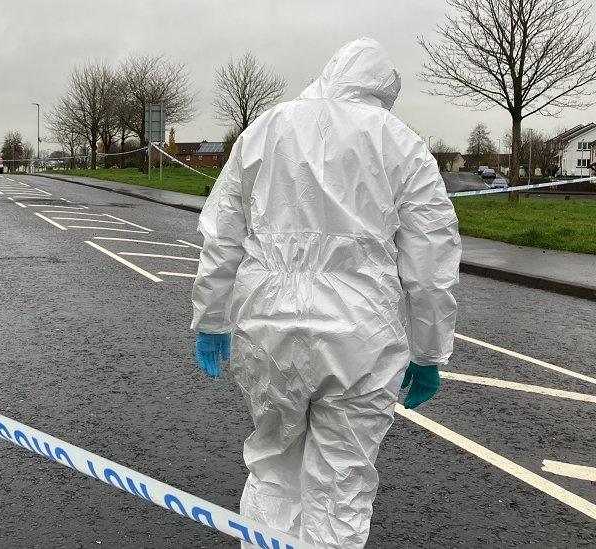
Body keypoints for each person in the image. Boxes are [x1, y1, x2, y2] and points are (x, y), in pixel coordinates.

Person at [190, 38, 461, 549]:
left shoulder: (266, 128)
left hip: (267, 322)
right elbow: (430, 264)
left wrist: (211, 318)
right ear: (383, 92)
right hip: (361, 334)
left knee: (273, 464)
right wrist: (428, 352)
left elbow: (222, 232)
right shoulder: (400, 142)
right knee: (342, 481)